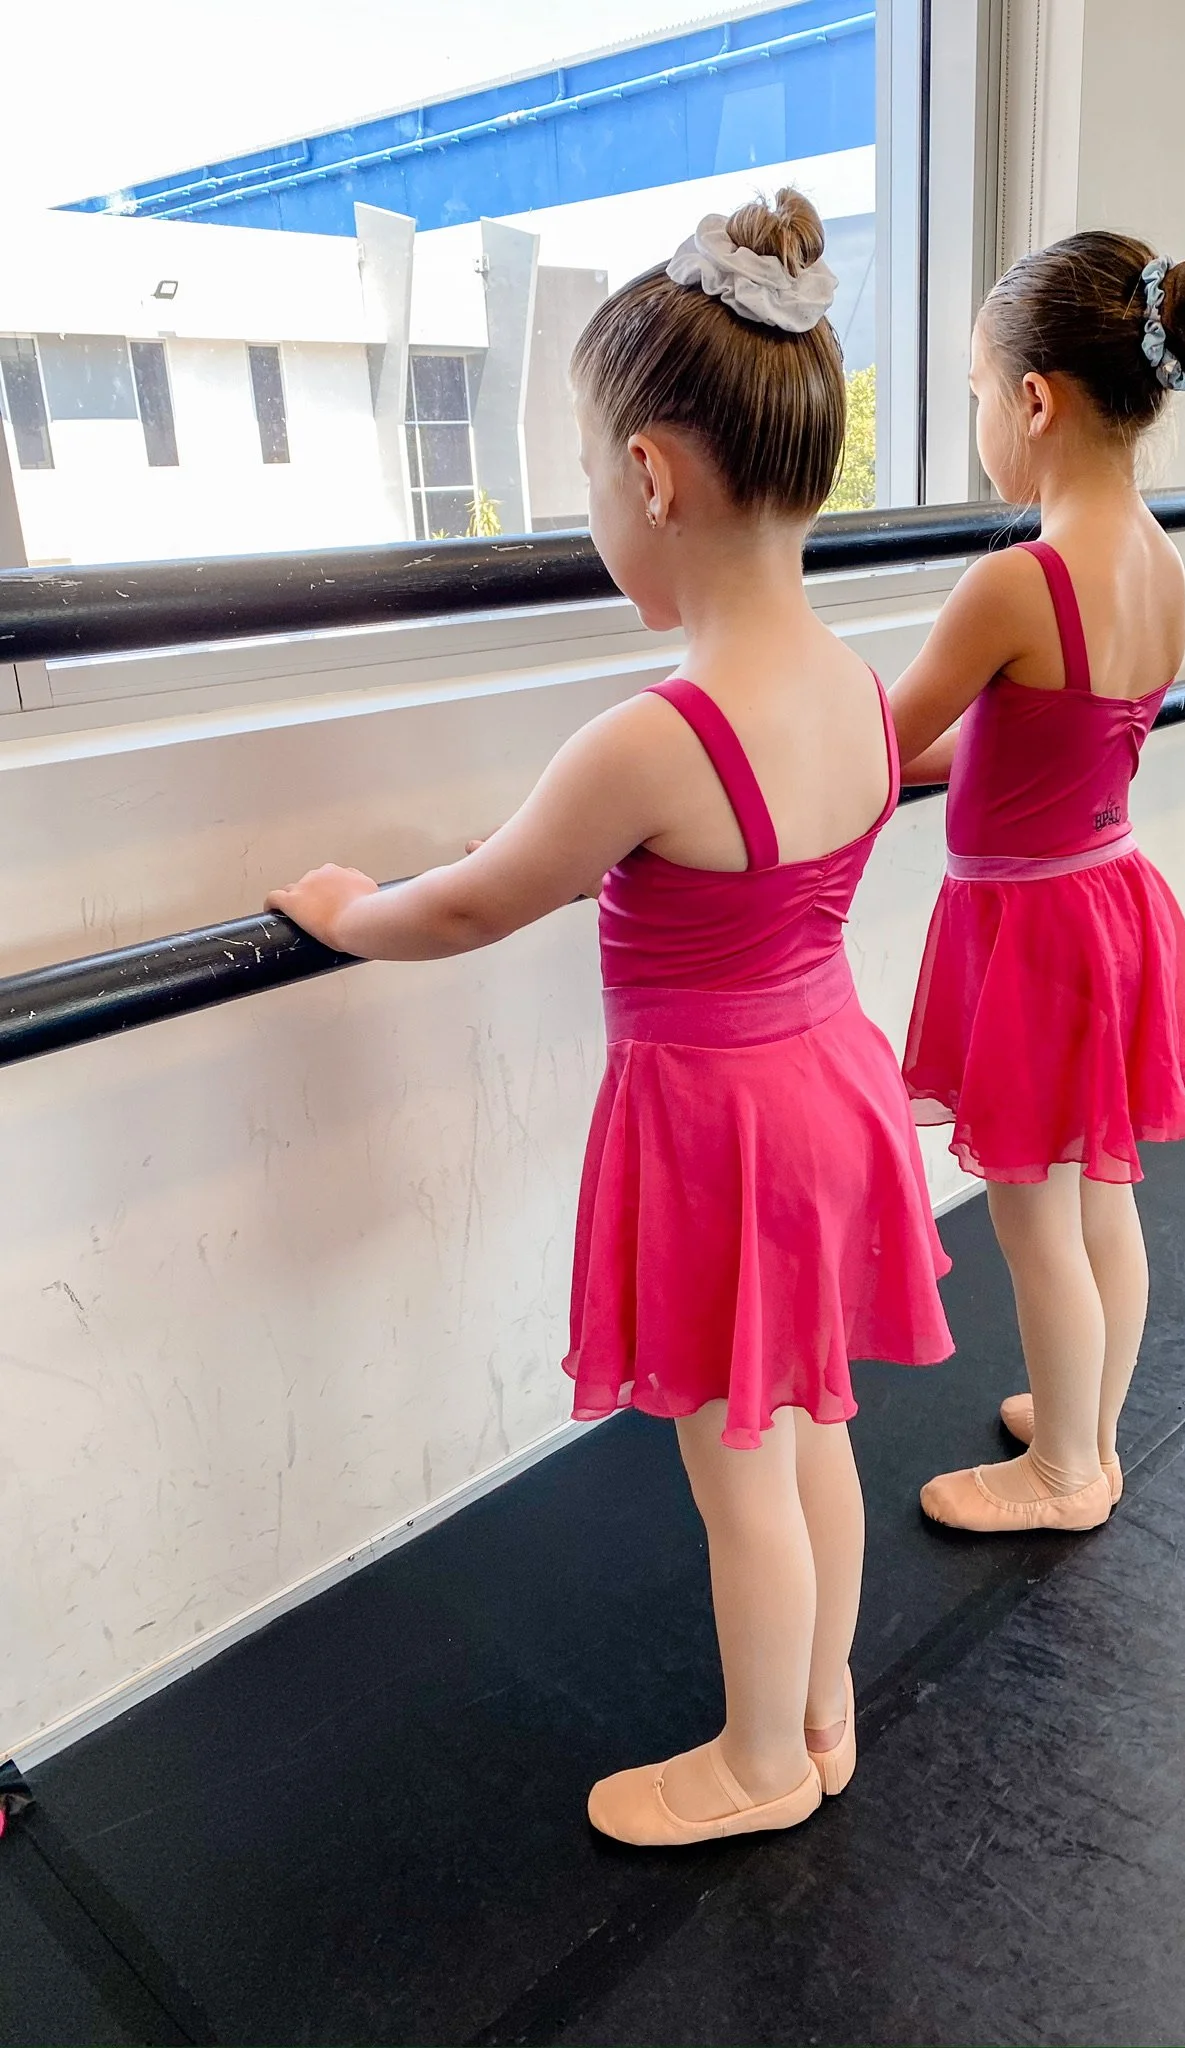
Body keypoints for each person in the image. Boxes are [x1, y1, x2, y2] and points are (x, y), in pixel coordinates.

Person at [268, 190, 953, 1845]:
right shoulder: (864, 687)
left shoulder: (654, 739)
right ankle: (823, 1701)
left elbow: (477, 899)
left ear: (650, 474)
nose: (590, 507)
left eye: (585, 474)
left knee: (735, 1466)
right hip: (832, 1085)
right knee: (815, 1426)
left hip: (722, 1124)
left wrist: (344, 909)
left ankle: (759, 1765)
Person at [890, 233, 1185, 1536]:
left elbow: (881, 742)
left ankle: (1062, 1477)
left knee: (1033, 1215)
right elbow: (1022, 745)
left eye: (978, 392)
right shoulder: (1156, 558)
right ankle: (1087, 1425)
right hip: (1112, 902)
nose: (981, 416)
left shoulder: (1016, 584)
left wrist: (743, 771)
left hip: (1031, 928)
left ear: (1034, 398)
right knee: (1103, 1194)